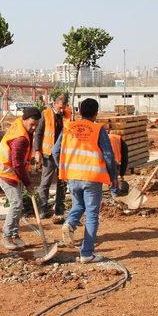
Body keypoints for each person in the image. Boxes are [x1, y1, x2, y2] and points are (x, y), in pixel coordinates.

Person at [54, 99, 117, 263]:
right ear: (96, 113)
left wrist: (63, 168)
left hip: (73, 176)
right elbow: (109, 156)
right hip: (92, 178)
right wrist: (114, 177)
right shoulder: (98, 129)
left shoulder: (68, 127)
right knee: (92, 215)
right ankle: (86, 253)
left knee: (78, 205)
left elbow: (55, 151)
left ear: (80, 111)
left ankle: (70, 222)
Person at [0, 107, 42, 250]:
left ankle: (14, 234)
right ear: (25, 120)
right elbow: (17, 164)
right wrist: (28, 184)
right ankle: (6, 236)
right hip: (6, 172)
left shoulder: (21, 123)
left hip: (12, 170)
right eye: (32, 124)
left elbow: (20, 162)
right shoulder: (20, 139)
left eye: (36, 125)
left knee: (18, 204)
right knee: (16, 203)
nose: (34, 127)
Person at [33, 94, 71, 218]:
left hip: (63, 154)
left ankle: (59, 208)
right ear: (54, 104)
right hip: (48, 153)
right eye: (60, 107)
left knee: (62, 182)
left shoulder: (68, 115)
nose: (61, 110)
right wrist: (37, 150)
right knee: (45, 182)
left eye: (63, 107)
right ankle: (43, 209)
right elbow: (38, 133)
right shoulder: (46, 114)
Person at [108, 132, 129, 197]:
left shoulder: (107, 137)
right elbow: (124, 160)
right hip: (112, 159)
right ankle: (114, 192)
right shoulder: (122, 143)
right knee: (113, 175)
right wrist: (122, 174)